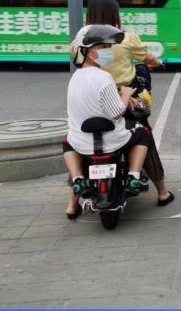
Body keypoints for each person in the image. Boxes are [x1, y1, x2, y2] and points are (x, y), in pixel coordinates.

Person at [71, 0, 173, 209]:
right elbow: (148, 59)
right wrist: (158, 63)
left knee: (81, 141)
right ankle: (162, 192)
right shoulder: (124, 37)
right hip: (124, 97)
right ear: (115, 13)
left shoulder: (81, 36)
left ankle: (71, 204)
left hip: (89, 101)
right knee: (145, 136)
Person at [63, 24, 152, 219]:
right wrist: (126, 95)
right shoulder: (104, 77)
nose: (108, 51)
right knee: (142, 134)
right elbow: (117, 113)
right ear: (90, 53)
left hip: (81, 143)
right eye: (103, 48)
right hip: (113, 140)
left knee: (66, 140)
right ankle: (133, 176)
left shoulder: (75, 78)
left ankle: (78, 178)